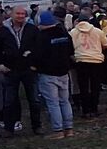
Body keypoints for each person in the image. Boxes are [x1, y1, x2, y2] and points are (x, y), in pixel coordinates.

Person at [0, 5, 42, 135]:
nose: (20, 16)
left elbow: (39, 47)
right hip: (10, 69)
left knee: (34, 99)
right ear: (12, 14)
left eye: (23, 14)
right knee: (9, 100)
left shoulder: (32, 29)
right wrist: (0, 64)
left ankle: (37, 126)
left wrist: (35, 63)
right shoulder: (3, 30)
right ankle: (9, 128)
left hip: (28, 69)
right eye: (18, 13)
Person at [32, 10, 75, 139]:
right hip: (63, 72)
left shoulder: (42, 37)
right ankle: (69, 128)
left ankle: (58, 130)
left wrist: (33, 65)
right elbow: (71, 51)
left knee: (53, 103)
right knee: (65, 101)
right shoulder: (64, 34)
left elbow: (38, 56)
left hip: (48, 73)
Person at [69, 16, 107, 117]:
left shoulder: (72, 32)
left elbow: (70, 46)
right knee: (95, 85)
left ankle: (85, 110)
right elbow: (106, 44)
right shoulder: (97, 31)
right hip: (96, 59)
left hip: (81, 60)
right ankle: (94, 108)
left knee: (83, 86)